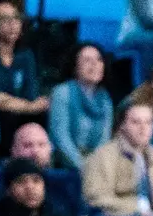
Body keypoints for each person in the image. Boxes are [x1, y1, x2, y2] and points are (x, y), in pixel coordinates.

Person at [82, 103, 153, 216]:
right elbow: (95, 198)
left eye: (148, 122)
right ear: (122, 125)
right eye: (136, 122)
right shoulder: (104, 156)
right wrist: (136, 208)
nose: (143, 128)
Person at [0, 0, 46, 142]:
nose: (12, 24)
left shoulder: (26, 56)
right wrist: (28, 107)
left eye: (16, 18)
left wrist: (8, 100)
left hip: (21, 123)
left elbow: (32, 97)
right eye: (4, 19)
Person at [48, 43, 113, 172]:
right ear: (75, 67)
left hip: (95, 167)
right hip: (65, 165)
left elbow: (104, 140)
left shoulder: (105, 99)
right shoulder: (62, 92)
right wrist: (84, 167)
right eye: (87, 60)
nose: (94, 64)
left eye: (99, 60)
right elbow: (60, 137)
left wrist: (96, 167)